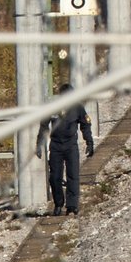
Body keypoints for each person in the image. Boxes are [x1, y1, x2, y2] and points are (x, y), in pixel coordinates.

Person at [37, 85, 95, 215]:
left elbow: (85, 125)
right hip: (56, 146)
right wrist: (39, 144)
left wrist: (89, 142)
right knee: (55, 177)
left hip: (71, 145)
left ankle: (72, 206)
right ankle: (58, 204)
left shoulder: (77, 107)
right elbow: (44, 126)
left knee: (72, 175)